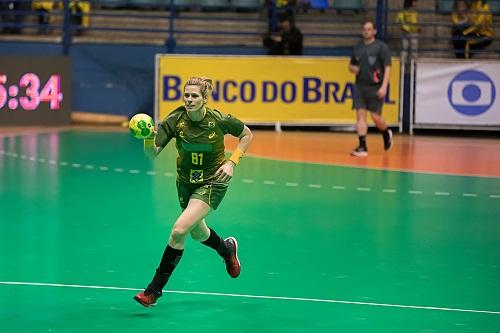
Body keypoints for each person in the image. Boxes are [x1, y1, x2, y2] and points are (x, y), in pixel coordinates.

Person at [133, 77, 254, 307]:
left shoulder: (218, 120)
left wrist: (232, 162)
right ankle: (227, 249)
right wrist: (148, 138)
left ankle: (153, 291)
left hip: (213, 181)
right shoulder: (175, 119)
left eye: (194, 96)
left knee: (179, 230)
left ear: (204, 99)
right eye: (186, 95)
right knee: (198, 234)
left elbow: (247, 135)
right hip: (185, 182)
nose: (189, 99)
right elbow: (153, 154)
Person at [348, 20, 393, 157]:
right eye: (364, 29)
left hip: (375, 87)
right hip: (360, 86)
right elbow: (351, 65)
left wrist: (384, 86)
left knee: (375, 117)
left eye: (369, 29)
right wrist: (353, 69)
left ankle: (385, 131)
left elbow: (388, 67)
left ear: (374, 31)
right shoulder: (358, 48)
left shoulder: (381, 47)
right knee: (360, 115)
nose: (366, 31)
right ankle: (362, 146)